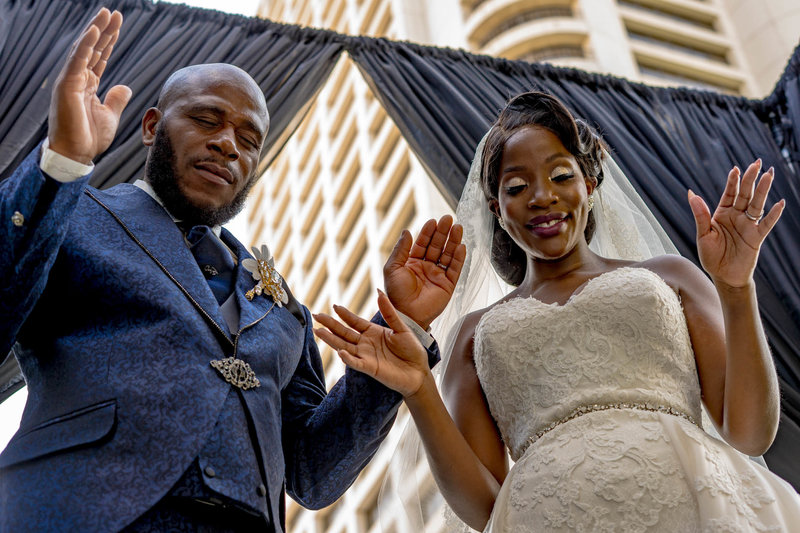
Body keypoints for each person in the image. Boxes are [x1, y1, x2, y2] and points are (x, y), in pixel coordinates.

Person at [0, 8, 466, 532]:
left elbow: (312, 474)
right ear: (153, 127)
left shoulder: (283, 306)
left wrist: (400, 328)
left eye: (249, 140)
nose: (228, 144)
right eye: (206, 119)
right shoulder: (71, 213)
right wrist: (61, 161)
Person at [313, 91, 800, 532]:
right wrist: (419, 390)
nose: (542, 196)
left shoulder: (670, 276)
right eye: (517, 186)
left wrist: (736, 289)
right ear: (497, 209)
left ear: (589, 184)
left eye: (560, 176)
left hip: (697, 508)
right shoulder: (474, 334)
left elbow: (750, 433)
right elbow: (486, 508)